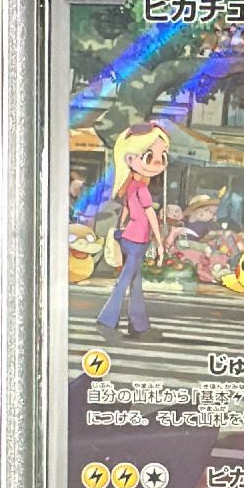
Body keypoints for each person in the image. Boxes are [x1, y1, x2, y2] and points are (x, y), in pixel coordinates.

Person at [96, 122, 169, 341]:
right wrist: (160, 243)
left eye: (163, 156)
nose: (158, 162)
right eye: (149, 156)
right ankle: (106, 321)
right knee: (126, 281)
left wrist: (121, 227)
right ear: (130, 159)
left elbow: (127, 210)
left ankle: (139, 325)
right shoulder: (142, 189)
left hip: (131, 237)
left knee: (135, 283)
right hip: (137, 240)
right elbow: (150, 216)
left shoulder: (131, 186)